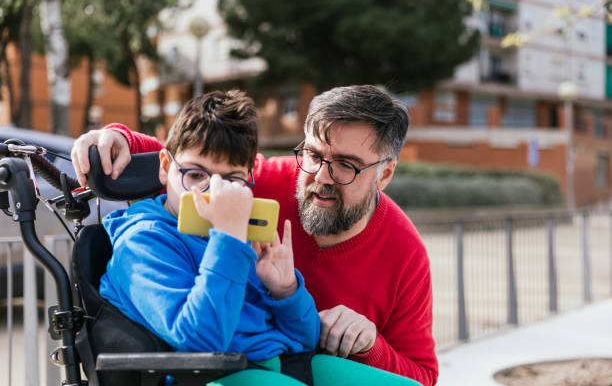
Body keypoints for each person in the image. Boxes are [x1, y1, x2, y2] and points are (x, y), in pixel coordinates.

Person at [72, 85, 438, 386]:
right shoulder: (228, 211)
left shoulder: (405, 253)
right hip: (225, 370)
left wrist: (287, 292)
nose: (322, 177)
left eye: (346, 165)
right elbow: (192, 157)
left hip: (284, 358)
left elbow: (422, 374)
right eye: (312, 155)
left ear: (385, 176)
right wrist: (118, 138)